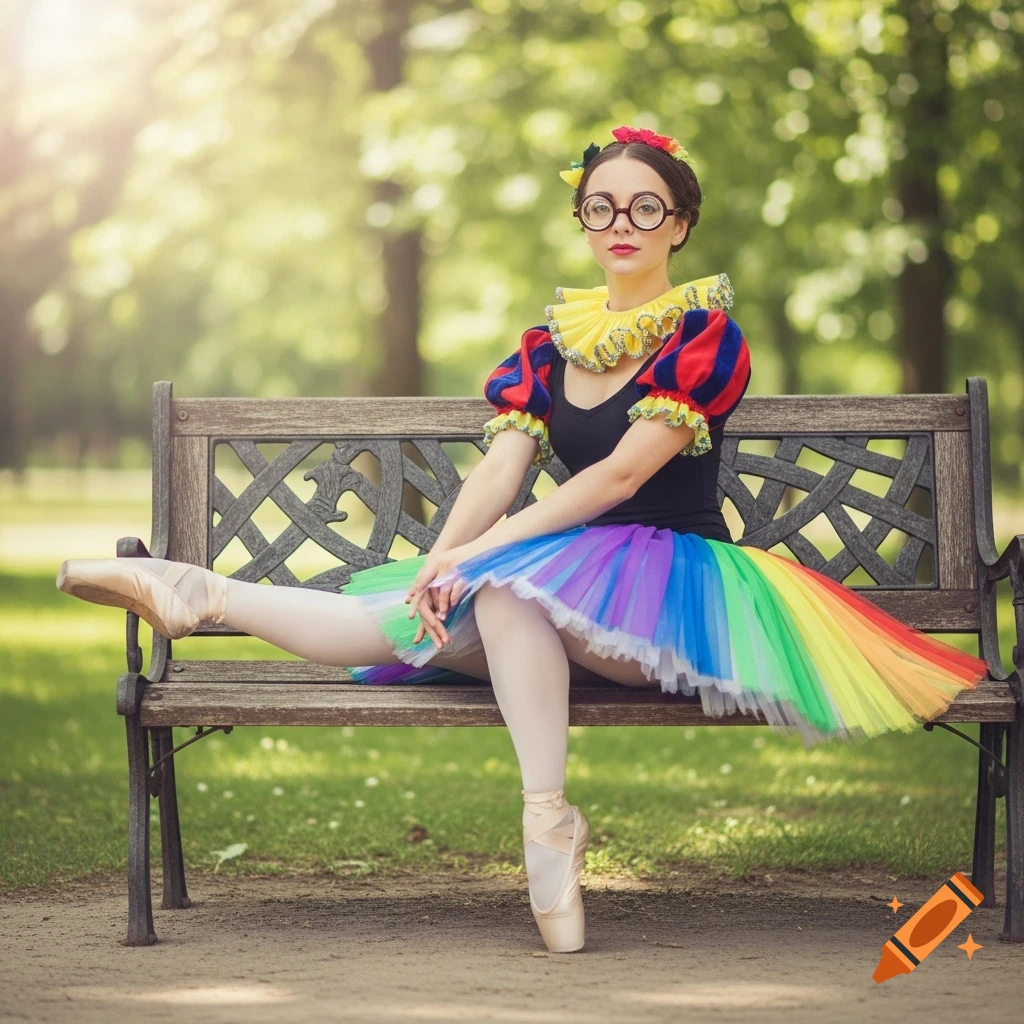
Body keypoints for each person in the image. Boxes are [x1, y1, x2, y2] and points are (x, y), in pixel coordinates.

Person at [56, 125, 989, 955]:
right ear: (584, 222)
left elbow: (619, 478)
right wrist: (438, 561)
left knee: (498, 589)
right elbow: (501, 472)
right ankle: (199, 593)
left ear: (679, 224)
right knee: (410, 618)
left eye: (645, 207)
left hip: (672, 591)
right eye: (601, 207)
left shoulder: (705, 336)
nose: (621, 223)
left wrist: (484, 556)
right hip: (550, 587)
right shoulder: (547, 348)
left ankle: (546, 822)